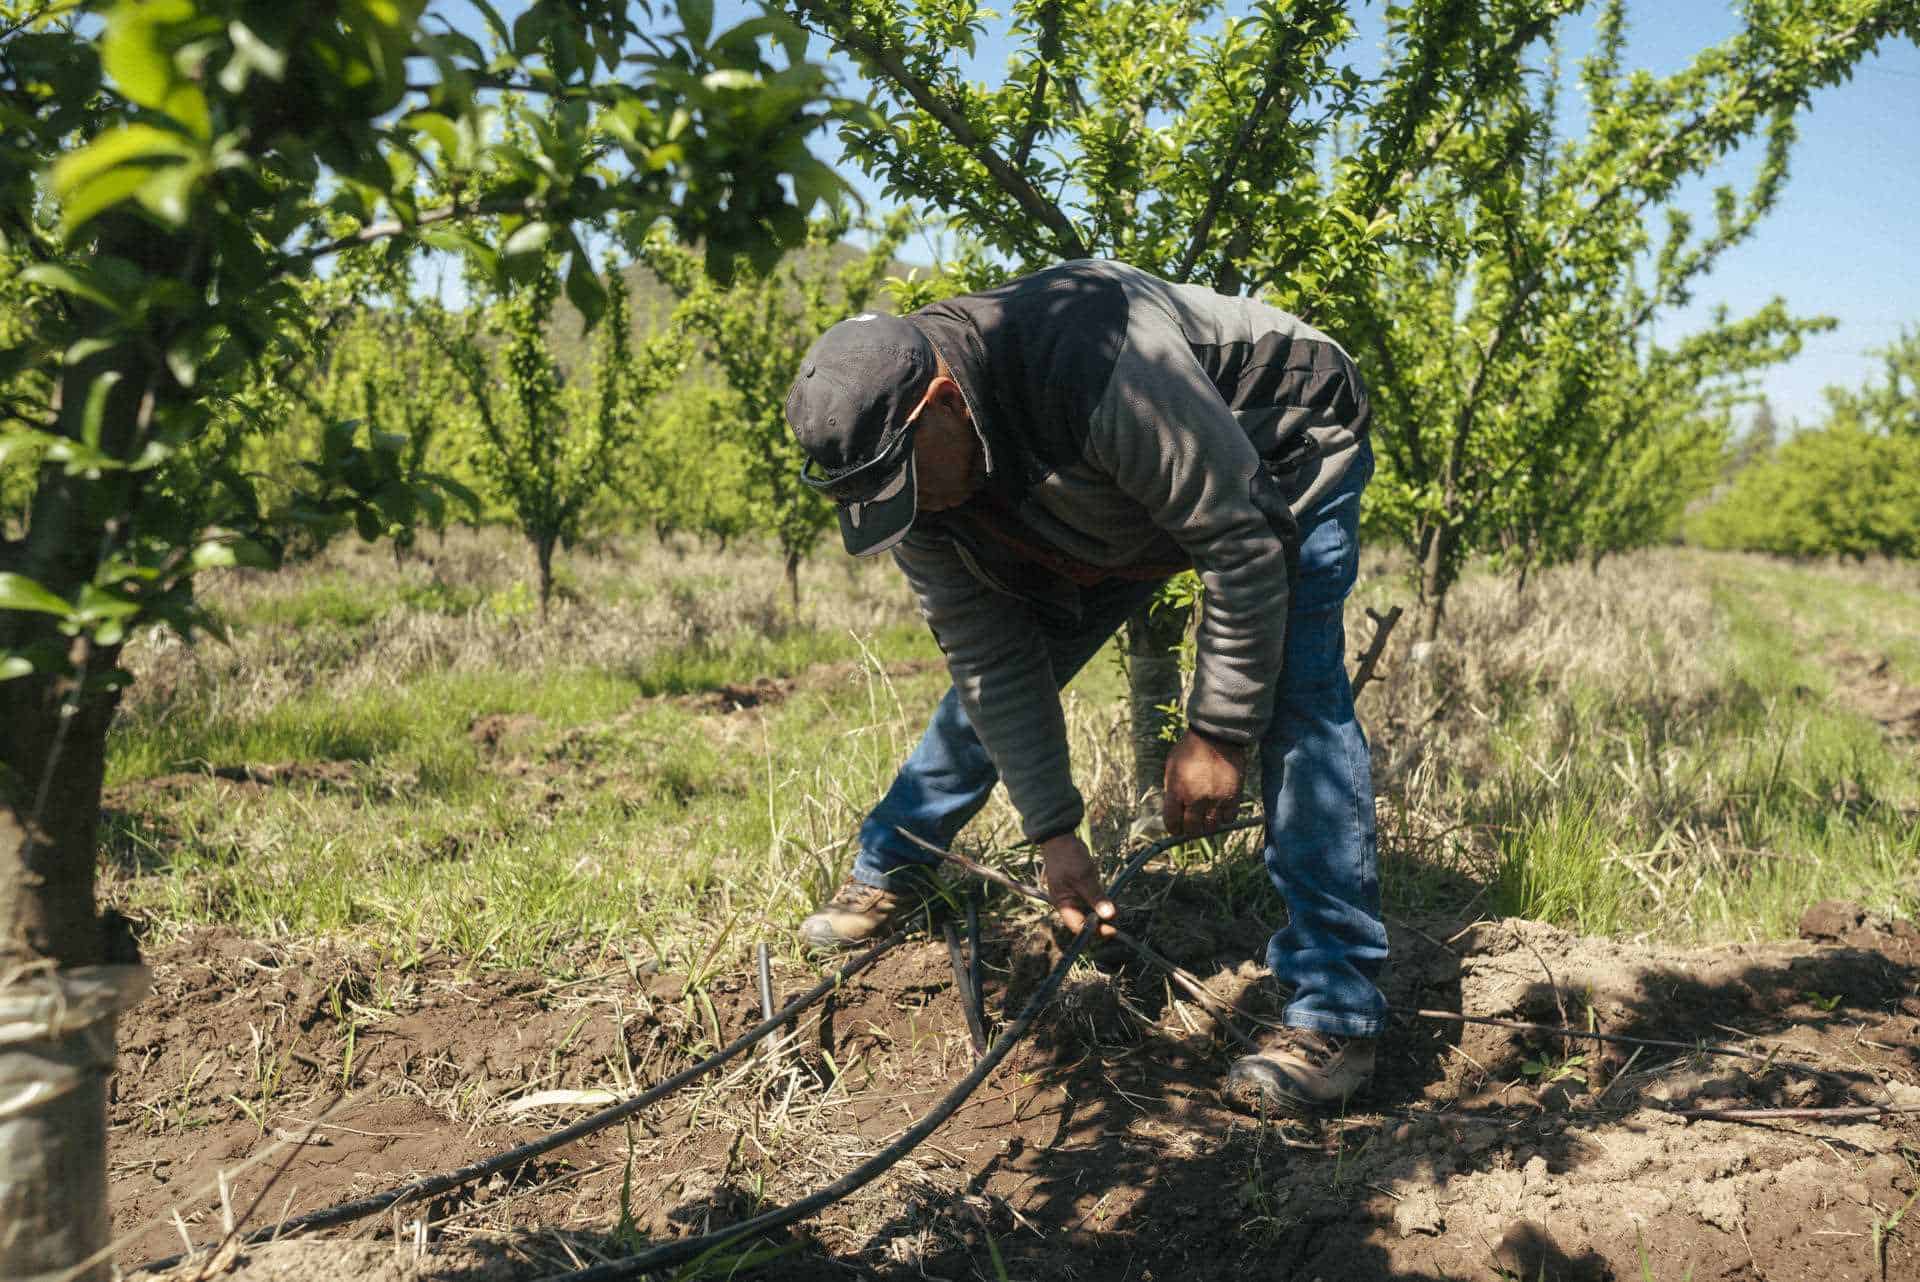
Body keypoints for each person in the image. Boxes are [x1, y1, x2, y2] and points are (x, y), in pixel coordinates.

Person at [780, 259, 1386, 1114]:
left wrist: (1217, 731)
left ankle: (1337, 1014)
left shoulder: (1096, 363)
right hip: (1107, 494)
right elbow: (990, 660)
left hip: (1278, 442)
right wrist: (1055, 834)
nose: (902, 511)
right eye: (875, 497)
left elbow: (1242, 542)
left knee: (1295, 689)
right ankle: (894, 864)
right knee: (996, 672)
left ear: (944, 403)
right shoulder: (905, 475)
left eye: (905, 484)